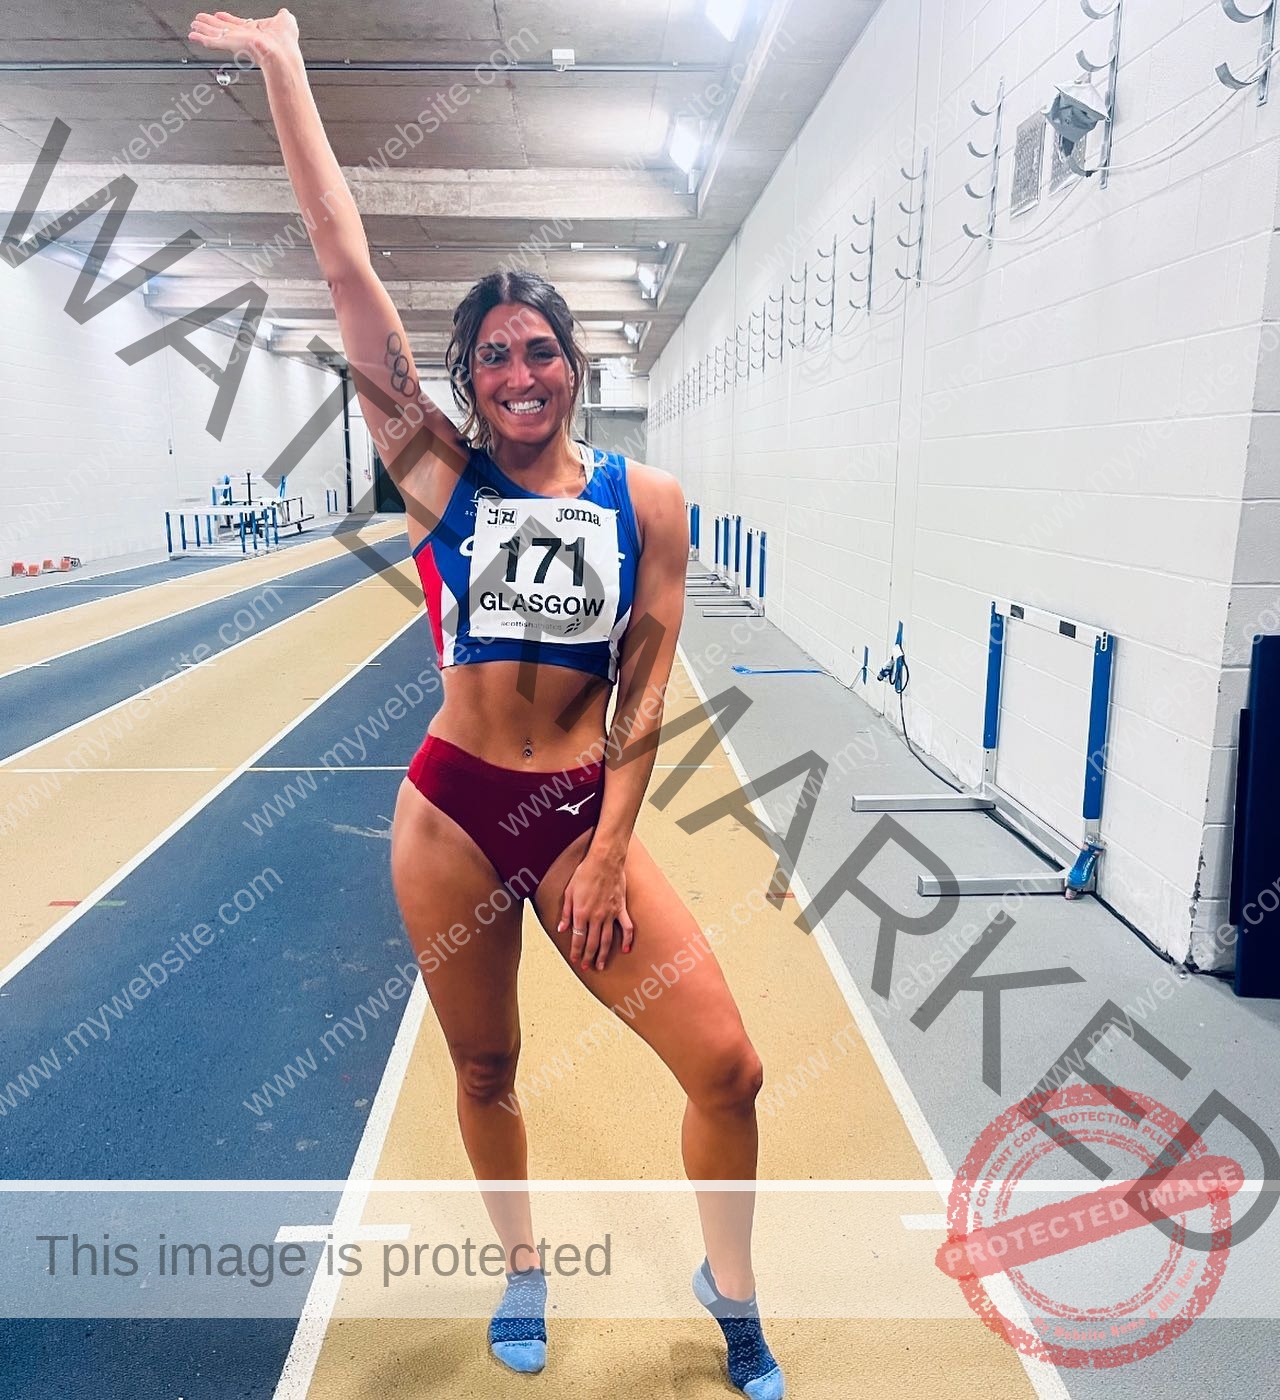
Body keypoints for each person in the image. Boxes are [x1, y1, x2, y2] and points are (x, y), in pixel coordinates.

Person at [188, 12, 783, 1397]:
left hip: (582, 805)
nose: (520, 376)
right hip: (453, 810)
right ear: (469, 377)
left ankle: (733, 1290)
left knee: (731, 1070)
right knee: (486, 1067)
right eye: (495, 357)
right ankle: (523, 1268)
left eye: (542, 351)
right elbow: (345, 268)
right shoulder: (442, 478)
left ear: (576, 362)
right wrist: (285, 67)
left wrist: (612, 844)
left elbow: (644, 690)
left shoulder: (647, 504)